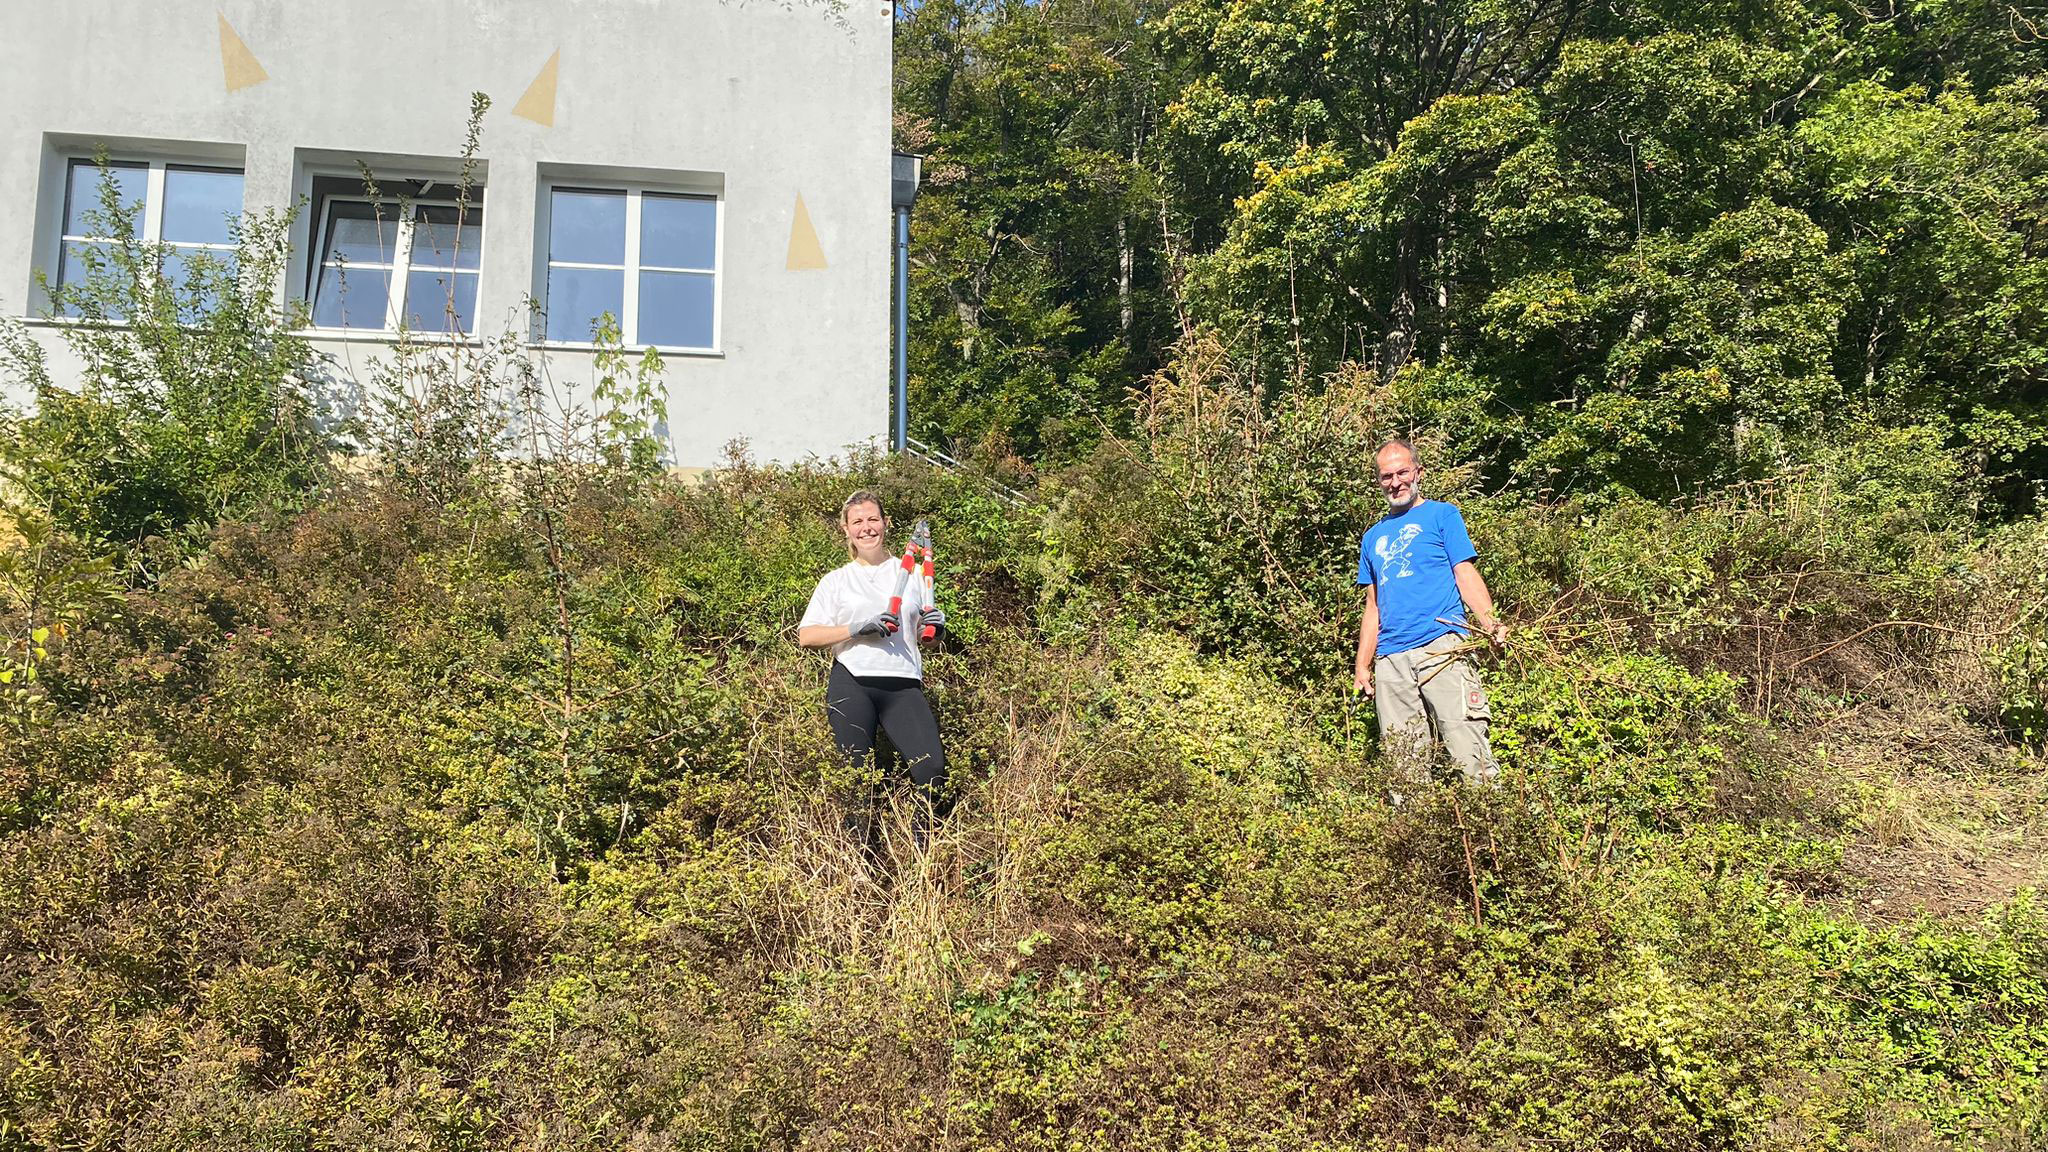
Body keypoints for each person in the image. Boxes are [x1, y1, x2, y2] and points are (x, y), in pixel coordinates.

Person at [1352, 439, 1506, 786]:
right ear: (1379, 481)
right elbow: (1373, 605)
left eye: (1402, 472)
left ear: (1418, 472)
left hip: (1443, 648)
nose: (1395, 482)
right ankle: (1413, 824)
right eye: (1387, 476)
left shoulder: (1442, 515)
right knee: (1404, 766)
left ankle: (1493, 819)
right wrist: (1362, 666)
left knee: (1469, 751)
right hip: (1391, 660)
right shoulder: (1373, 538)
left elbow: (1464, 573)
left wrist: (1491, 623)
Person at [797, 490, 950, 833]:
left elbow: (927, 639)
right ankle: (860, 858)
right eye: (857, 522)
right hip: (852, 682)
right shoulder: (836, 580)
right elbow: (807, 636)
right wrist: (855, 629)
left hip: (903, 684)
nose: (866, 528)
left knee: (932, 771)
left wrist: (936, 630)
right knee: (856, 778)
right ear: (845, 529)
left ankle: (922, 851)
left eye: (872, 519)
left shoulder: (911, 574)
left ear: (885, 523)